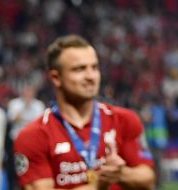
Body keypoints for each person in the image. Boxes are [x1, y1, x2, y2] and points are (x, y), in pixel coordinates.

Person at [13, 35, 155, 189]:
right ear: (55, 78)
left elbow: (148, 179)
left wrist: (121, 174)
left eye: (94, 67)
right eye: (79, 69)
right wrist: (98, 184)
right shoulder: (33, 136)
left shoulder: (125, 120)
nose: (90, 76)